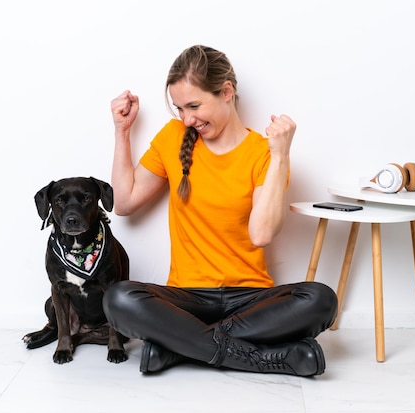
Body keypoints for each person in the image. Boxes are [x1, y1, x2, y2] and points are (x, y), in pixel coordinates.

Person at [103, 45, 338, 377]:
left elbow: (261, 234)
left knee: (321, 299)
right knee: (119, 298)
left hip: (251, 300)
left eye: (195, 106)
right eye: (180, 108)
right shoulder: (173, 137)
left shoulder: (263, 154)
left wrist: (281, 155)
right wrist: (122, 131)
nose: (187, 119)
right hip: (186, 300)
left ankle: (179, 348)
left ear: (226, 91)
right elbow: (123, 202)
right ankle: (263, 357)